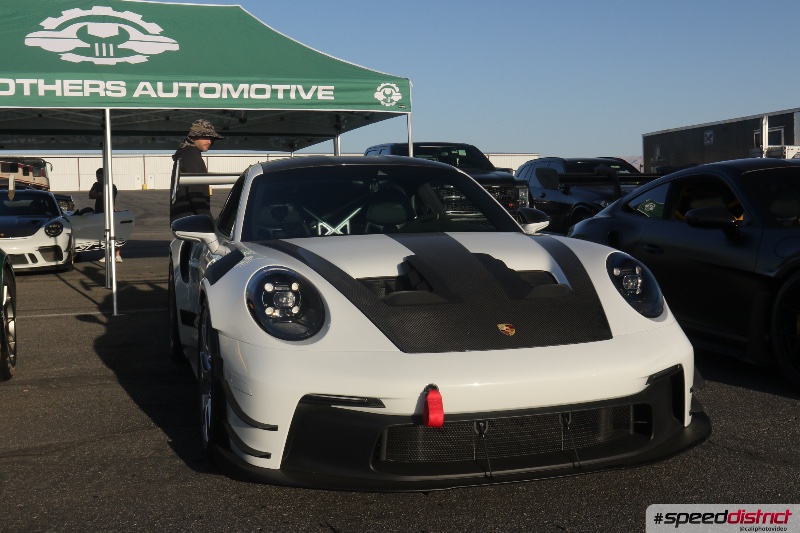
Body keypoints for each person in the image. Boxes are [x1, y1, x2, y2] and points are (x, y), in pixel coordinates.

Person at [170, 119, 224, 222]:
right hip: (192, 222)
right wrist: (207, 220)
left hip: (184, 220)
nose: (209, 141)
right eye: (205, 137)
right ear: (193, 137)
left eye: (211, 138)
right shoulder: (191, 156)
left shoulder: (184, 155)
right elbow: (195, 191)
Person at [89, 168, 122, 263]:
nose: (99, 178)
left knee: (113, 234)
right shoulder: (96, 185)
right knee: (104, 234)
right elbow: (90, 195)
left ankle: (117, 255)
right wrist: (99, 194)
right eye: (97, 177)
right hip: (99, 212)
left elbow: (108, 196)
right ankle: (108, 255)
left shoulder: (111, 186)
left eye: (101, 176)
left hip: (109, 212)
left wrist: (99, 194)